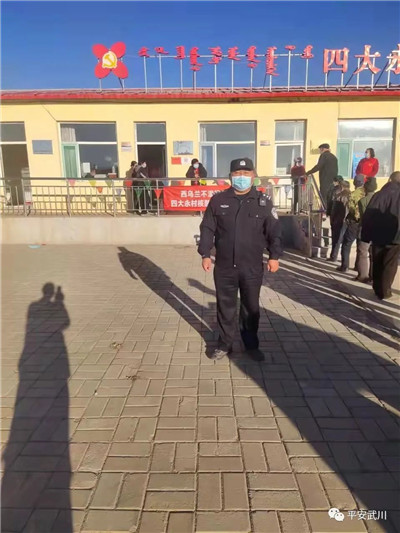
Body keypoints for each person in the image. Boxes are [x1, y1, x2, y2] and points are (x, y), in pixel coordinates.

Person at [198, 157, 282, 362]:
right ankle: (224, 344)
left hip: (251, 267)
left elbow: (274, 232)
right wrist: (205, 253)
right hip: (225, 266)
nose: (241, 177)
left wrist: (274, 256)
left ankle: (251, 344)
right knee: (225, 307)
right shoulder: (218, 200)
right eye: (237, 174)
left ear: (253, 176)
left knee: (250, 308)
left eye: (245, 173)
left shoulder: (263, 202)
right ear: (230, 176)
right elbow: (207, 228)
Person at [361, 171, 400, 300]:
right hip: (395, 235)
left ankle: (377, 288)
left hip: (378, 234)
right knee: (390, 263)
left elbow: (368, 215)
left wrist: (365, 236)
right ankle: (385, 290)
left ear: (390, 180)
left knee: (377, 261)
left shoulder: (379, 194)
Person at [337, 174, 365, 272]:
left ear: (354, 183)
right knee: (360, 246)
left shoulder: (353, 195)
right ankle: (358, 266)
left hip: (354, 222)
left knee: (346, 244)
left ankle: (345, 266)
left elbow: (351, 209)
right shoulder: (366, 193)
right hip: (365, 223)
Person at [354, 177, 377, 282]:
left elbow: (363, 216)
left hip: (365, 228)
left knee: (363, 252)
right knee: (373, 253)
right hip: (377, 229)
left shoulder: (362, 201)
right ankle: (373, 275)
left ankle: (363, 275)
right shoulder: (380, 198)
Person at [306, 143, 338, 207]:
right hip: (333, 180)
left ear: (322, 149)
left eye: (320, 150)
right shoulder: (334, 157)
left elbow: (319, 166)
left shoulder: (324, 155)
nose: (320, 151)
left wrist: (308, 172)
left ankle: (324, 210)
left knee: (324, 197)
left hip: (325, 180)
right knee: (331, 196)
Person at [327, 178, 350, 262]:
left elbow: (335, 209)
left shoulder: (339, 196)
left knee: (336, 238)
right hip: (346, 220)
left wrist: (332, 218)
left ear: (342, 186)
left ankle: (334, 256)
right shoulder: (350, 195)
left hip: (338, 220)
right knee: (343, 240)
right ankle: (342, 259)